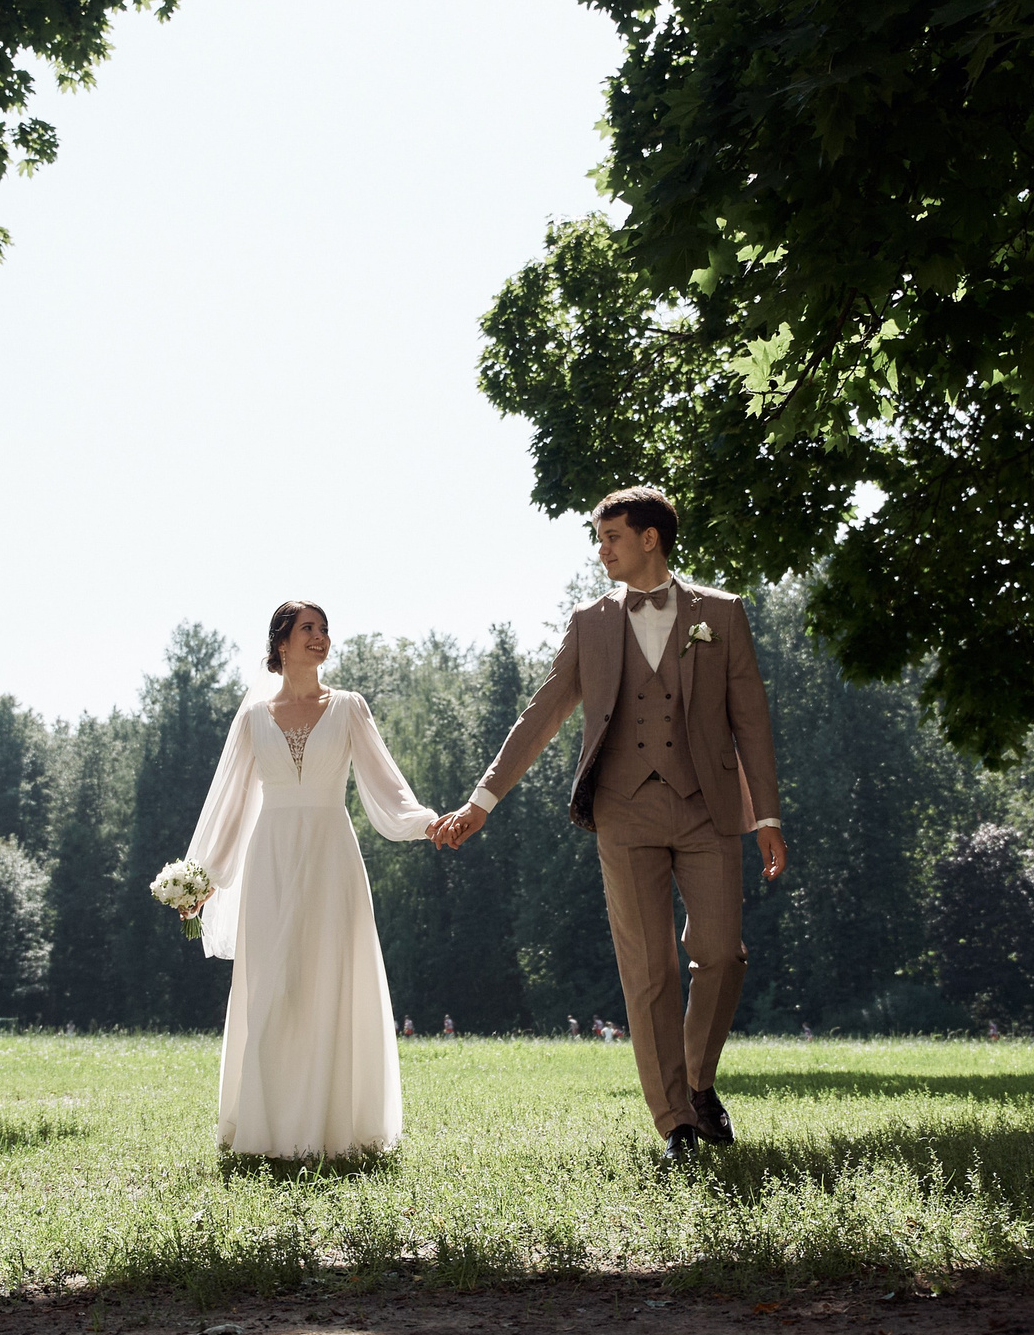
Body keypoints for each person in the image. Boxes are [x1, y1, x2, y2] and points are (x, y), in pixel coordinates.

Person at [434, 486, 787, 1164]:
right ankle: (675, 1122)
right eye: (599, 539)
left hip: (708, 807)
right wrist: (483, 799)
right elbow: (543, 712)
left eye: (612, 537)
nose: (602, 551)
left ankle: (698, 1080)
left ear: (650, 538)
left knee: (721, 952)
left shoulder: (721, 613)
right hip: (622, 811)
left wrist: (766, 815)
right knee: (649, 968)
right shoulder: (590, 622)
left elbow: (751, 720)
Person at [181, 600, 437, 1159]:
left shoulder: (348, 707)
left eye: (324, 629)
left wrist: (426, 823)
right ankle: (266, 1127)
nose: (320, 637)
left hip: (330, 857)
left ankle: (334, 1128)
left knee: (329, 979)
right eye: (308, 629)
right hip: (270, 860)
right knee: (273, 985)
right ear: (281, 643)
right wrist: (203, 880)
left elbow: (386, 785)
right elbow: (230, 807)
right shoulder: (253, 719)